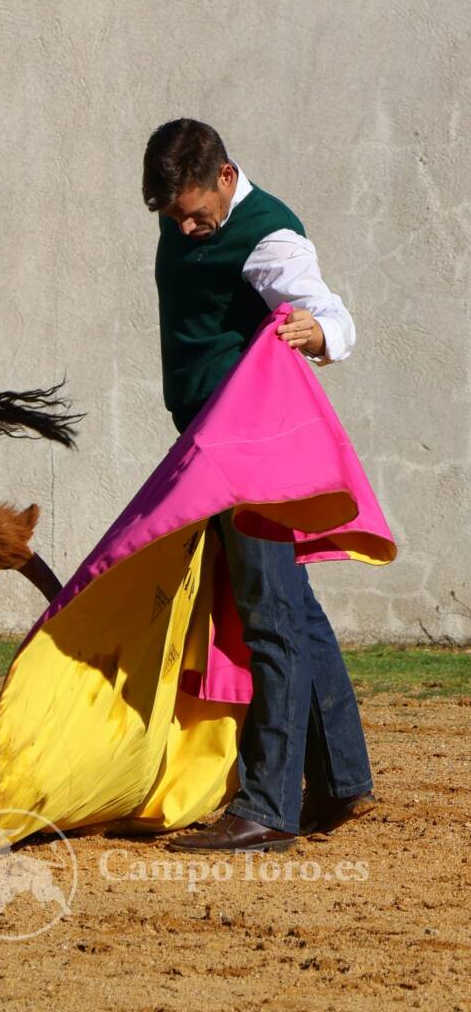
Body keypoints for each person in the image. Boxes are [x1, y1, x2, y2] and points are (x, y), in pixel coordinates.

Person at [141, 118, 376, 852]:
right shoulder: (187, 213)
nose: (184, 227)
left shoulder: (269, 235)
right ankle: (339, 780)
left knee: (266, 611)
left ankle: (268, 805)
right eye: (170, 215)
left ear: (223, 175)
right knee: (291, 609)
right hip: (213, 439)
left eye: (195, 214)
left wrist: (317, 333)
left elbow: (333, 316)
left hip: (245, 444)